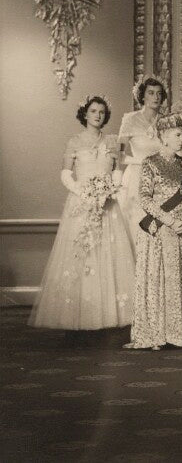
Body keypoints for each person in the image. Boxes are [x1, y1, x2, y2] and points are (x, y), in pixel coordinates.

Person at [30, 96, 135, 332]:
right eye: (93, 111)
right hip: (81, 203)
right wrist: (83, 192)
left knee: (107, 254)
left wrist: (110, 189)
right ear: (85, 114)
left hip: (107, 204)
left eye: (101, 112)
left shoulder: (111, 141)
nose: (98, 115)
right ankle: (82, 313)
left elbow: (117, 170)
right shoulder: (75, 142)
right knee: (83, 253)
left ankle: (108, 313)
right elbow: (66, 174)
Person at [126, 104, 182, 351]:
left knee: (179, 283)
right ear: (164, 136)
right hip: (158, 232)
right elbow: (145, 199)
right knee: (158, 284)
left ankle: (180, 334)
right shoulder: (150, 163)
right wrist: (169, 221)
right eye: (178, 134)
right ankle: (156, 335)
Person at [118, 75, 166, 240]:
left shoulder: (166, 120)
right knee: (137, 224)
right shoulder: (130, 119)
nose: (156, 97)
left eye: (159, 93)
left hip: (162, 178)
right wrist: (142, 161)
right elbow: (120, 156)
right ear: (142, 96)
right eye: (151, 93)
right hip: (137, 178)